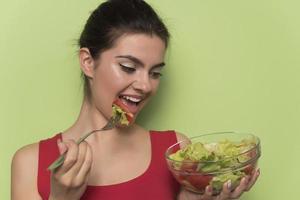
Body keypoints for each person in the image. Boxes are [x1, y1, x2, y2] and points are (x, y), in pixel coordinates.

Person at [11, 0, 260, 199]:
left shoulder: (177, 154)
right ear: (88, 62)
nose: (145, 85)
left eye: (155, 73)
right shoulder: (31, 164)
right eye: (129, 67)